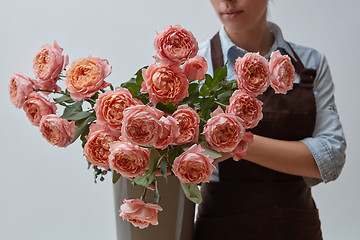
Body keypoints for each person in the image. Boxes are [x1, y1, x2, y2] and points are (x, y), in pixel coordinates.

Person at [193, 0, 346, 239]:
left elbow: (329, 158)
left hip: (297, 229)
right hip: (220, 230)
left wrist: (238, 141)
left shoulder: (311, 64)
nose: (227, 1)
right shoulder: (193, 67)